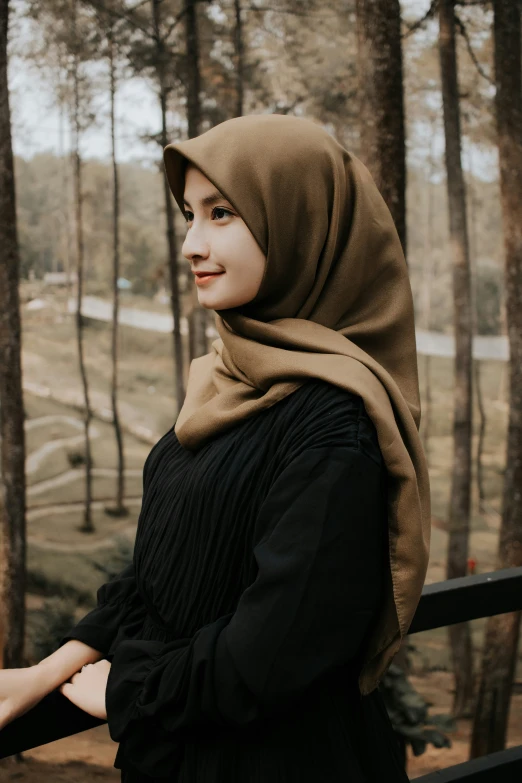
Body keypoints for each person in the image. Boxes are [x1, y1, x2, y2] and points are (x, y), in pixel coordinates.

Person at [0, 114, 431, 782]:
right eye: (190, 216)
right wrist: (50, 669)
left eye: (222, 213)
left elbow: (267, 657)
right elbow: (158, 574)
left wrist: (127, 690)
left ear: (301, 223)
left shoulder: (335, 422)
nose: (191, 244)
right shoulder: (227, 377)